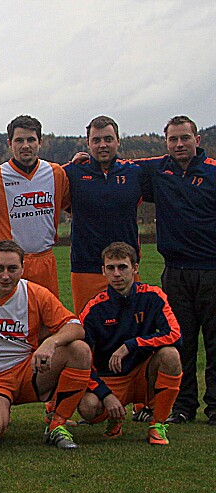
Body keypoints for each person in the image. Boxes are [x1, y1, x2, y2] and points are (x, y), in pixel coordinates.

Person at [0, 240, 91, 449]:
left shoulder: (35, 292)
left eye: (12, 269)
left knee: (79, 350)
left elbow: (75, 327)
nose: (5, 276)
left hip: (29, 371)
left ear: (22, 268)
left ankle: (57, 424)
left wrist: (51, 342)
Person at [138, 115, 216, 426]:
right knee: (180, 341)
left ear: (197, 139)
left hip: (211, 270)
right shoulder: (159, 170)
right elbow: (120, 165)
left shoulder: (212, 171)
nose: (179, 144)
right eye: (173, 139)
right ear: (166, 143)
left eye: (185, 138)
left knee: (214, 342)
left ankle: (215, 407)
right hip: (175, 272)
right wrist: (84, 159)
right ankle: (183, 407)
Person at [77, 242, 182, 444]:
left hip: (143, 374)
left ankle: (157, 424)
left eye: (122, 267)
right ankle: (114, 417)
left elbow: (175, 335)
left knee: (170, 355)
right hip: (110, 378)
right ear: (103, 271)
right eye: (111, 268)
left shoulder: (153, 296)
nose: (117, 274)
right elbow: (81, 359)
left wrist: (131, 345)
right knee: (88, 408)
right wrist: (105, 394)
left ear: (135, 268)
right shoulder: (93, 309)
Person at [0, 116, 70, 297]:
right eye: (19, 140)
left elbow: (68, 205)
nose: (25, 146)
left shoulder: (56, 173)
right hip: (8, 264)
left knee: (45, 312)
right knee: (6, 312)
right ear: (10, 143)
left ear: (40, 142)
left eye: (31, 140)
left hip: (44, 261)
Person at [64, 116, 143, 316]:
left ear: (118, 141)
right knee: (88, 326)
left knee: (130, 326)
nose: (102, 145)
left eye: (108, 139)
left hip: (125, 266)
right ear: (88, 143)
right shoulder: (72, 173)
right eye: (96, 140)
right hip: (86, 268)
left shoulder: (135, 173)